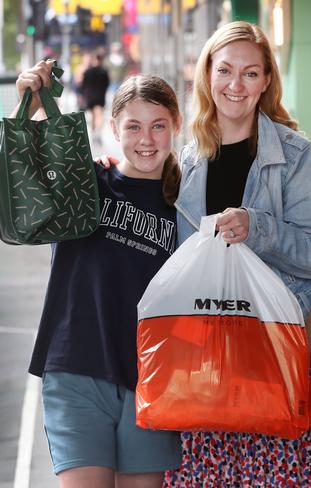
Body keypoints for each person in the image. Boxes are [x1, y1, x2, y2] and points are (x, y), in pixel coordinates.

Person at [165, 21, 311, 486]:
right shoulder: (188, 158)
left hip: (271, 354)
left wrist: (258, 229)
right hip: (203, 358)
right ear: (207, 76)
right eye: (225, 70)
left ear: (266, 82)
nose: (235, 85)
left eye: (250, 73)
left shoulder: (295, 154)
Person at [16, 60, 183, 486]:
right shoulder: (85, 182)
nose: (146, 139)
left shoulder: (187, 203)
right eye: (133, 126)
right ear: (113, 126)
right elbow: (24, 188)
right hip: (75, 369)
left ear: (176, 125)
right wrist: (33, 109)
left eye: (158, 125)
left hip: (151, 380)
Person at [80, 50, 110, 145]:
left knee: (92, 116)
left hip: (90, 96)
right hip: (100, 96)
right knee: (99, 115)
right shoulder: (103, 71)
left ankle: (93, 135)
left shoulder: (88, 71)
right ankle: (98, 135)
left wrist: (83, 96)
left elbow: (83, 85)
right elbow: (107, 84)